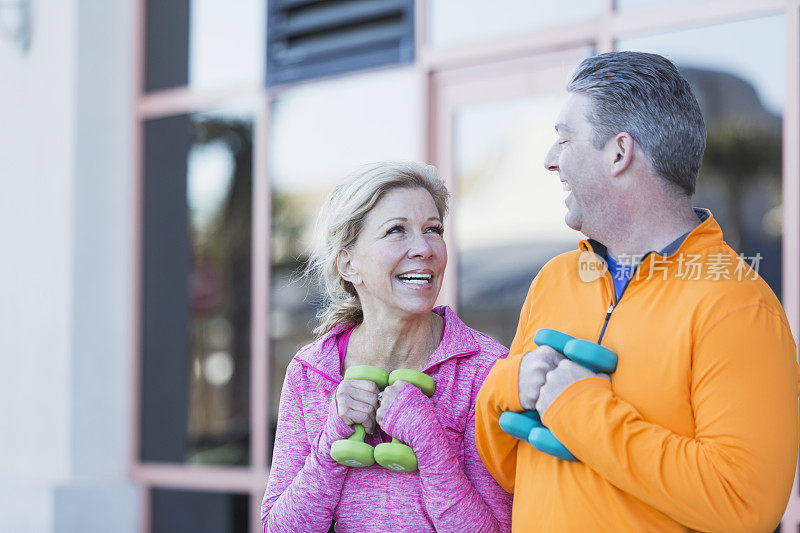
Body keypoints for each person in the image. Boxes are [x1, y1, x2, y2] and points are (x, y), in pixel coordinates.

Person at [475, 51, 799, 531]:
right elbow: (505, 469)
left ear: (619, 153)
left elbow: (743, 505)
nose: (550, 160)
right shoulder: (555, 280)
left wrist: (579, 409)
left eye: (565, 140)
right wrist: (509, 384)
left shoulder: (737, 306)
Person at [261, 161, 512, 532]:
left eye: (433, 230)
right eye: (397, 230)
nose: (424, 248)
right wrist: (333, 438)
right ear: (348, 262)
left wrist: (431, 443)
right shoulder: (311, 372)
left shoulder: (486, 369)